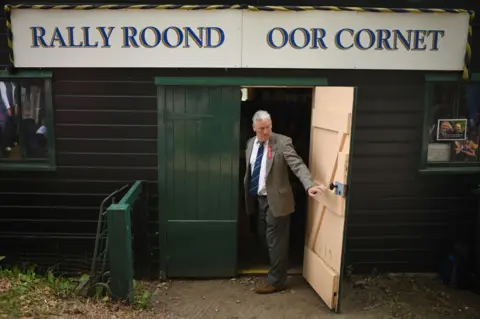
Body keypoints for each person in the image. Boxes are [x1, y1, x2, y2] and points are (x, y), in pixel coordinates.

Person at [244, 110, 327, 294]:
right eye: (261, 129)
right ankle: (278, 265)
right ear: (253, 128)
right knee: (264, 235)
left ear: (271, 125)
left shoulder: (282, 142)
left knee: (275, 240)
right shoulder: (250, 143)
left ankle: (277, 281)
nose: (265, 132)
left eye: (268, 127)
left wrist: (308, 185)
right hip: (259, 199)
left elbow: (297, 164)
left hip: (278, 201)